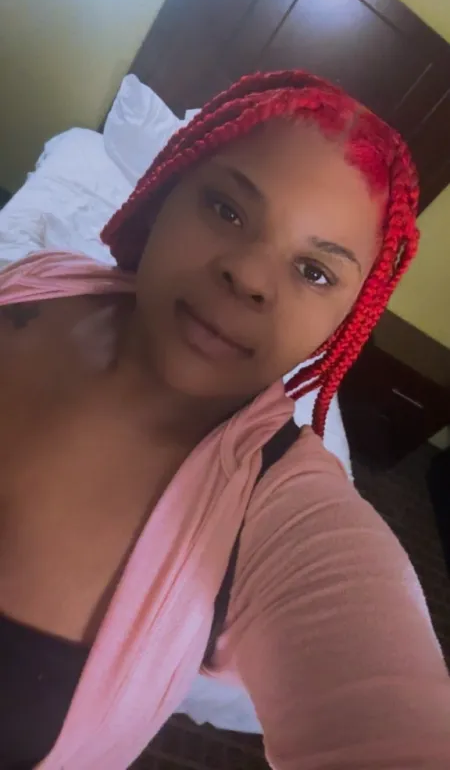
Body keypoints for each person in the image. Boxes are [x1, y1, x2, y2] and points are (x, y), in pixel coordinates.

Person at [0, 69, 449, 770]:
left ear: (347, 321)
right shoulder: (40, 280)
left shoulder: (282, 510)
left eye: (315, 271)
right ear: (168, 188)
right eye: (227, 209)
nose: (250, 276)